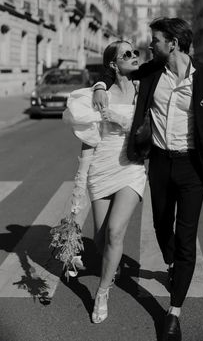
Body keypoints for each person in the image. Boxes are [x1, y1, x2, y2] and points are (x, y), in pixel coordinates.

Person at [92, 18, 203, 341]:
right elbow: (114, 69)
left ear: (173, 42)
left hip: (192, 169)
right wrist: (101, 86)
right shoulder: (154, 71)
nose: (149, 45)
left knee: (186, 237)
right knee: (160, 225)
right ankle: (172, 263)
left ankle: (174, 312)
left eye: (154, 40)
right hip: (158, 163)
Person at [63, 40, 147, 323]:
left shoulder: (143, 89)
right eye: (127, 54)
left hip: (132, 167)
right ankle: (109, 264)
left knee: (114, 232)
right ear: (113, 64)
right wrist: (79, 184)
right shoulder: (99, 94)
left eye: (135, 52)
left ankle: (102, 292)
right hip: (102, 166)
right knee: (100, 240)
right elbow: (88, 143)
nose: (135, 56)